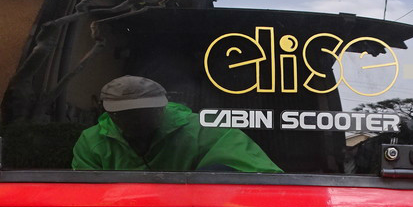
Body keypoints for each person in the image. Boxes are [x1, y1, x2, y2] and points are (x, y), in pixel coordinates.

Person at [71, 76, 281, 172]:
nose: (138, 120)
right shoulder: (91, 141)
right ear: (109, 114)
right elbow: (85, 195)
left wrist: (216, 176)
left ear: (163, 107)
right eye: (126, 114)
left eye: (146, 112)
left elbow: (260, 174)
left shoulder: (205, 129)